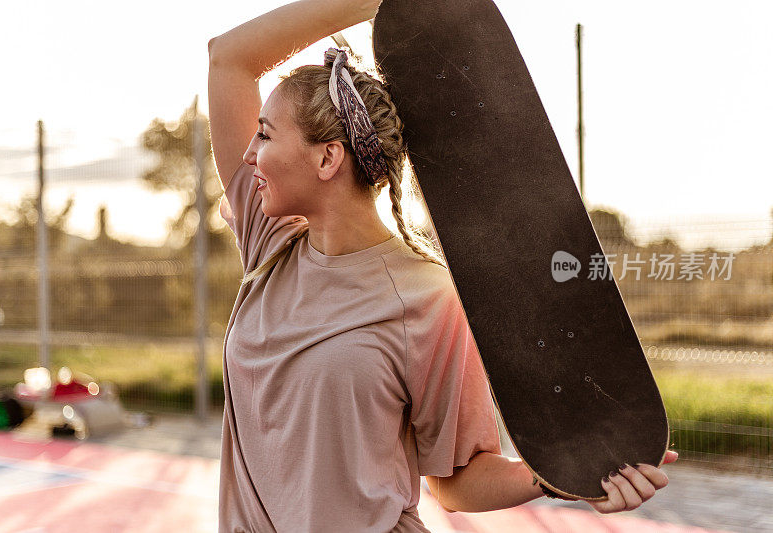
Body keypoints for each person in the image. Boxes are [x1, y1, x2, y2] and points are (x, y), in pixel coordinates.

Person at [207, 1, 677, 531]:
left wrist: (560, 475)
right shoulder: (269, 243)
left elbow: (456, 483)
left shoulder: (425, 299)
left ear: (326, 159)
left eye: (265, 134)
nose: (248, 153)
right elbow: (228, 58)